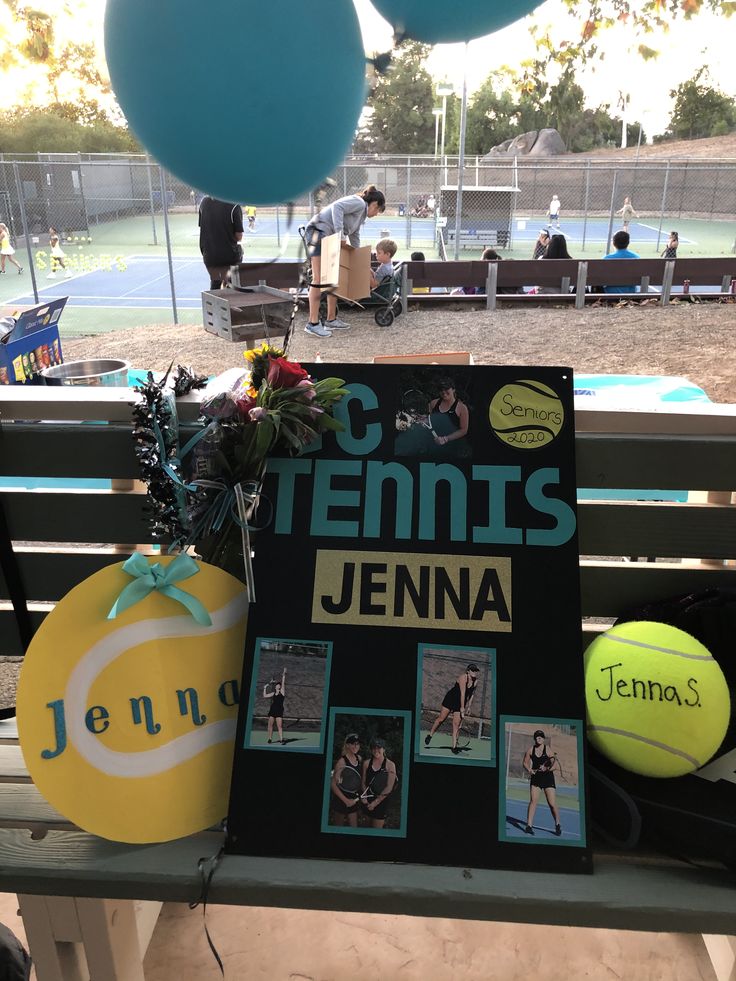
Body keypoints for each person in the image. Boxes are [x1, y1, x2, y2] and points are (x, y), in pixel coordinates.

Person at [304, 184, 386, 338]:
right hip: (317, 232)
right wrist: (340, 236)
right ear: (374, 204)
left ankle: (330, 319)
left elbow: (355, 237)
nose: (375, 214)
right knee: (318, 278)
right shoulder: (359, 203)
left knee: (331, 278)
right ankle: (312, 323)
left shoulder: (361, 215)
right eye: (377, 211)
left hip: (328, 237)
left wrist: (362, 264)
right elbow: (337, 208)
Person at [425, 663, 480, 754]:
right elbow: (463, 693)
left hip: (460, 702)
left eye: (476, 670)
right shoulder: (463, 678)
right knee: (441, 719)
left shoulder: (476, 681)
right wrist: (462, 708)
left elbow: (471, 695)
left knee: (456, 725)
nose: (474, 672)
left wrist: (469, 706)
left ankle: (454, 747)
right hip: (451, 699)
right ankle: (430, 735)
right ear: (468, 671)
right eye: (473, 670)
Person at [198, 196, 244, 290]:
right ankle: (230, 286)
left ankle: (214, 299)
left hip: (209, 255)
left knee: (215, 282)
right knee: (232, 282)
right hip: (229, 256)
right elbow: (239, 236)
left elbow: (203, 227)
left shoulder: (204, 202)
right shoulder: (234, 205)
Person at [523, 729, 562, 837]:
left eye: (540, 737)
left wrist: (546, 768)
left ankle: (557, 823)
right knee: (533, 801)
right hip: (536, 778)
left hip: (548, 778)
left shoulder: (548, 750)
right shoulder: (531, 750)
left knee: (552, 804)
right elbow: (525, 763)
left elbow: (554, 766)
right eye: (536, 737)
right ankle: (529, 826)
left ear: (543, 739)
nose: (538, 738)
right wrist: (529, 769)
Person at [427, 377, 470, 457]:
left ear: (453, 389)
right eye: (441, 389)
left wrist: (446, 439)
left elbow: (464, 430)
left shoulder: (462, 408)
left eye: (446, 388)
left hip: (454, 449)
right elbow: (428, 420)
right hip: (434, 447)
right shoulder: (433, 403)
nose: (443, 392)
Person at [361, 737, 397, 829]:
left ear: (384, 749)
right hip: (367, 801)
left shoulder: (390, 765)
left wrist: (375, 803)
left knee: (376, 830)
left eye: (379, 747)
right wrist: (364, 797)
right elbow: (363, 782)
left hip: (381, 802)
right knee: (365, 829)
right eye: (374, 748)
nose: (376, 750)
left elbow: (389, 787)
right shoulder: (366, 763)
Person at [330, 733, 363, 828]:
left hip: (353, 798)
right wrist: (346, 801)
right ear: (347, 745)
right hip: (341, 799)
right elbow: (333, 784)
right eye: (353, 744)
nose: (355, 746)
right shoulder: (342, 761)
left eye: (357, 744)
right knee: (338, 827)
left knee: (354, 827)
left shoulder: (359, 759)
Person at [603, 229, 639, 294]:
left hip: (610, 293)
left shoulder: (607, 259)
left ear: (613, 243)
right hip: (630, 293)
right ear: (628, 243)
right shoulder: (636, 258)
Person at [262, 668, 286, 744]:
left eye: (279, 685)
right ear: (275, 687)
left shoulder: (282, 692)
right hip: (272, 711)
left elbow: (283, 682)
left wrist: (284, 674)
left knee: (280, 726)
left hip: (279, 711)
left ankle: (281, 739)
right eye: (277, 685)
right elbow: (265, 696)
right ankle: (270, 739)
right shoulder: (273, 693)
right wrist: (265, 687)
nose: (278, 685)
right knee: (270, 725)